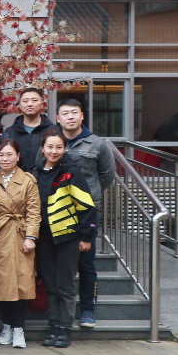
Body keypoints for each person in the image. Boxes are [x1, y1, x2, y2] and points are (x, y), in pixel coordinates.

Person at [33, 129, 97, 349]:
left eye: (59, 147)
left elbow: (86, 206)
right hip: (43, 239)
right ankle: (53, 326)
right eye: (50, 147)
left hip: (67, 237)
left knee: (65, 286)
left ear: (65, 149)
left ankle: (65, 328)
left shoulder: (71, 172)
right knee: (50, 285)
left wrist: (86, 236)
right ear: (43, 149)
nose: (54, 151)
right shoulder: (35, 172)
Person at [57, 99, 116, 329]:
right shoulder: (53, 142)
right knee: (60, 263)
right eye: (65, 113)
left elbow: (107, 175)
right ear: (58, 118)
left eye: (74, 112)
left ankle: (88, 310)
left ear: (82, 116)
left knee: (86, 263)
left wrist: (89, 196)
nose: (70, 117)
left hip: (86, 212)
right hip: (59, 210)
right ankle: (61, 311)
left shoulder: (98, 144)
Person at [0, 138, 40, 350]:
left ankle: (19, 329)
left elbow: (34, 211)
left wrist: (31, 237)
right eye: (1, 155)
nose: (5, 159)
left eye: (9, 154)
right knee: (1, 284)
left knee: (21, 283)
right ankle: (6, 326)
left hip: (20, 236)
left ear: (18, 156)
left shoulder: (28, 181)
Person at [3, 87, 53, 172]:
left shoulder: (53, 131)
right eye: (25, 101)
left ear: (42, 104)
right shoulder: (9, 133)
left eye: (34, 100)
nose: (30, 104)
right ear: (20, 105)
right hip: (17, 178)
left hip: (46, 177)